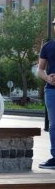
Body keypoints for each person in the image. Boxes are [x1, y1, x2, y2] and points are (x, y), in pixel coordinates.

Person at [37, 33, 55, 169]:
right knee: (53, 125)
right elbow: (40, 70)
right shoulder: (48, 46)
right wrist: (47, 78)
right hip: (51, 90)